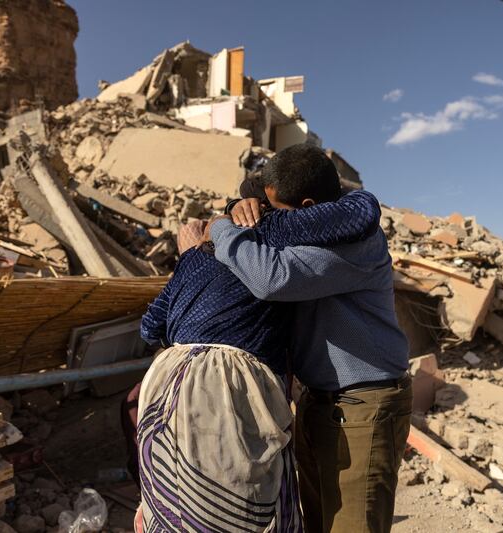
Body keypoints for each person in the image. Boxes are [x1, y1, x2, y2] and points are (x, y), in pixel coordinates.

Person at [135, 169, 381, 532]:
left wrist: (193, 264)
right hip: (229, 391)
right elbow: (361, 214)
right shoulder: (273, 234)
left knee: (177, 497)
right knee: (242, 495)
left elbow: (149, 326)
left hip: (167, 385)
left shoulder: (197, 254)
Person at [210, 144, 412, 533]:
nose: (272, 222)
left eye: (278, 212)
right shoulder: (317, 224)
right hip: (323, 401)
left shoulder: (354, 241)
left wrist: (221, 228)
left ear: (307, 206)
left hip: (363, 407)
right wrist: (241, 204)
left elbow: (271, 277)